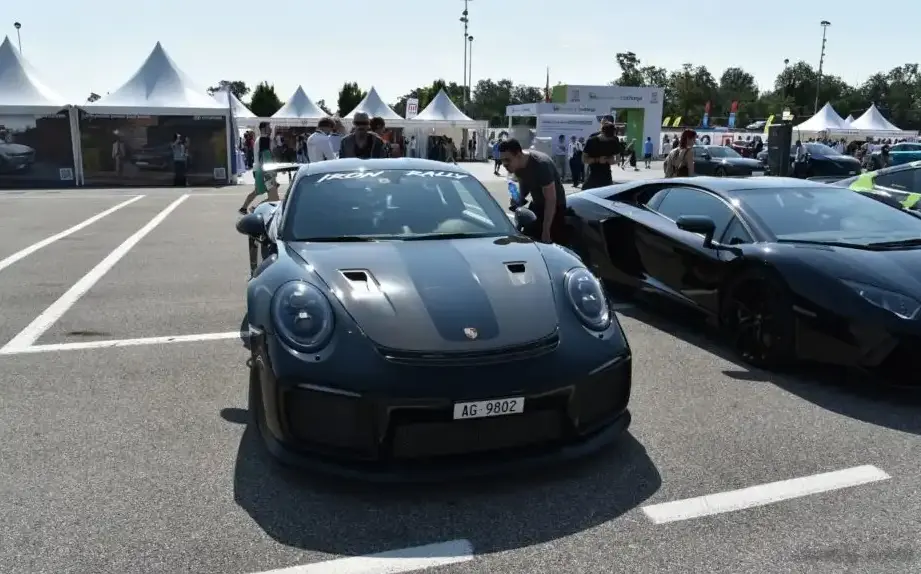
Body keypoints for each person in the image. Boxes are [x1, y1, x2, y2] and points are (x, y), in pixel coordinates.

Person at [498, 139, 566, 244]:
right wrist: (519, 199)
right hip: (537, 205)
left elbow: (551, 200)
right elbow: (524, 186)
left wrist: (546, 230)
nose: (504, 164)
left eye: (507, 160)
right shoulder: (518, 165)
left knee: (547, 242)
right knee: (526, 237)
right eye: (502, 160)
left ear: (518, 155)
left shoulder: (541, 165)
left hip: (554, 209)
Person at [238, 124, 279, 214]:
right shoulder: (265, 140)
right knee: (274, 198)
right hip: (266, 172)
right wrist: (272, 174)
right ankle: (255, 209)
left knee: (257, 191)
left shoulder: (258, 139)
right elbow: (266, 158)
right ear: (264, 129)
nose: (271, 129)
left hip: (258, 170)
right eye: (269, 127)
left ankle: (244, 208)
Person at [581, 115, 623, 190]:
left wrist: (611, 160)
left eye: (605, 123)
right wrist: (597, 160)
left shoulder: (614, 140)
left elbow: (617, 159)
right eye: (602, 123)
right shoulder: (592, 140)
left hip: (606, 175)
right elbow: (584, 159)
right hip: (593, 174)